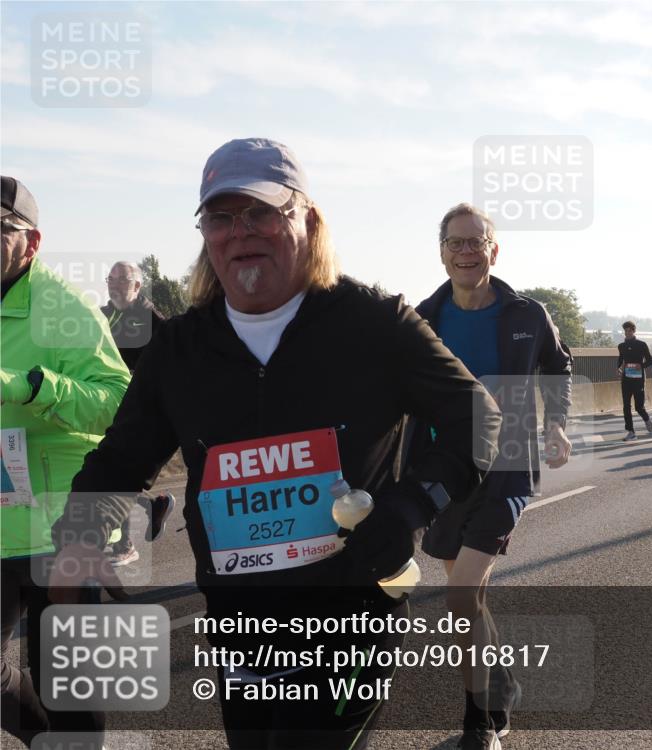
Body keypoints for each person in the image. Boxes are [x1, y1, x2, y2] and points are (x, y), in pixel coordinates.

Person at [47, 139, 503, 750]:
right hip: (240, 629)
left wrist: (411, 507)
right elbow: (123, 456)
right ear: (205, 233)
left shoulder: (373, 323)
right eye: (221, 217)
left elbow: (478, 416)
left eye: (262, 212)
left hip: (349, 621)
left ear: (307, 220)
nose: (241, 233)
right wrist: (80, 529)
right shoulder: (181, 349)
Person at [414, 202, 572, 749]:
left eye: (476, 242)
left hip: (508, 463)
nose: (466, 251)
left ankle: (479, 725)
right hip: (445, 469)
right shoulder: (422, 320)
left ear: (493, 250)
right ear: (441, 253)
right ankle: (500, 683)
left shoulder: (527, 315)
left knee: (460, 594)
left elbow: (558, 365)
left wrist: (556, 424)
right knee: (470, 596)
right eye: (455, 243)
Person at [1, 175, 131, 747]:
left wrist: (32, 387)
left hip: (60, 525)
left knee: (73, 687)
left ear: (31, 243)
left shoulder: (63, 307)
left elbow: (118, 403)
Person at [100, 261, 173, 567]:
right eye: (110, 279)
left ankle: (123, 546)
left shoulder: (153, 320)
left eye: (122, 280)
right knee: (106, 469)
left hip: (143, 411)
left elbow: (166, 367)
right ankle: (153, 504)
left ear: (138, 286)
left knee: (117, 470)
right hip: (111, 403)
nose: (114, 285)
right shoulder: (105, 315)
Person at [617, 321, 652, 440]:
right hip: (626, 379)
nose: (627, 333)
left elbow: (649, 361)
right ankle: (631, 431)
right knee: (626, 406)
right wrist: (619, 369)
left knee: (639, 406)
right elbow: (621, 359)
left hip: (638, 379)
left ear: (634, 331)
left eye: (629, 331)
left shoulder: (642, 344)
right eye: (625, 331)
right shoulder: (621, 346)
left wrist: (641, 366)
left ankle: (647, 419)